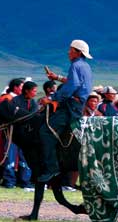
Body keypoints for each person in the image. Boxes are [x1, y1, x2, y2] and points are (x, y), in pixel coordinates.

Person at [39, 39, 93, 182]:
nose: (68, 52)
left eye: (71, 50)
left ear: (78, 52)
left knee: (46, 131)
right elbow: (72, 81)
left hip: (71, 105)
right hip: (79, 104)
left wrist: (52, 98)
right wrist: (56, 78)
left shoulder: (75, 65)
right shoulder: (85, 66)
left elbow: (72, 86)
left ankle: (52, 168)